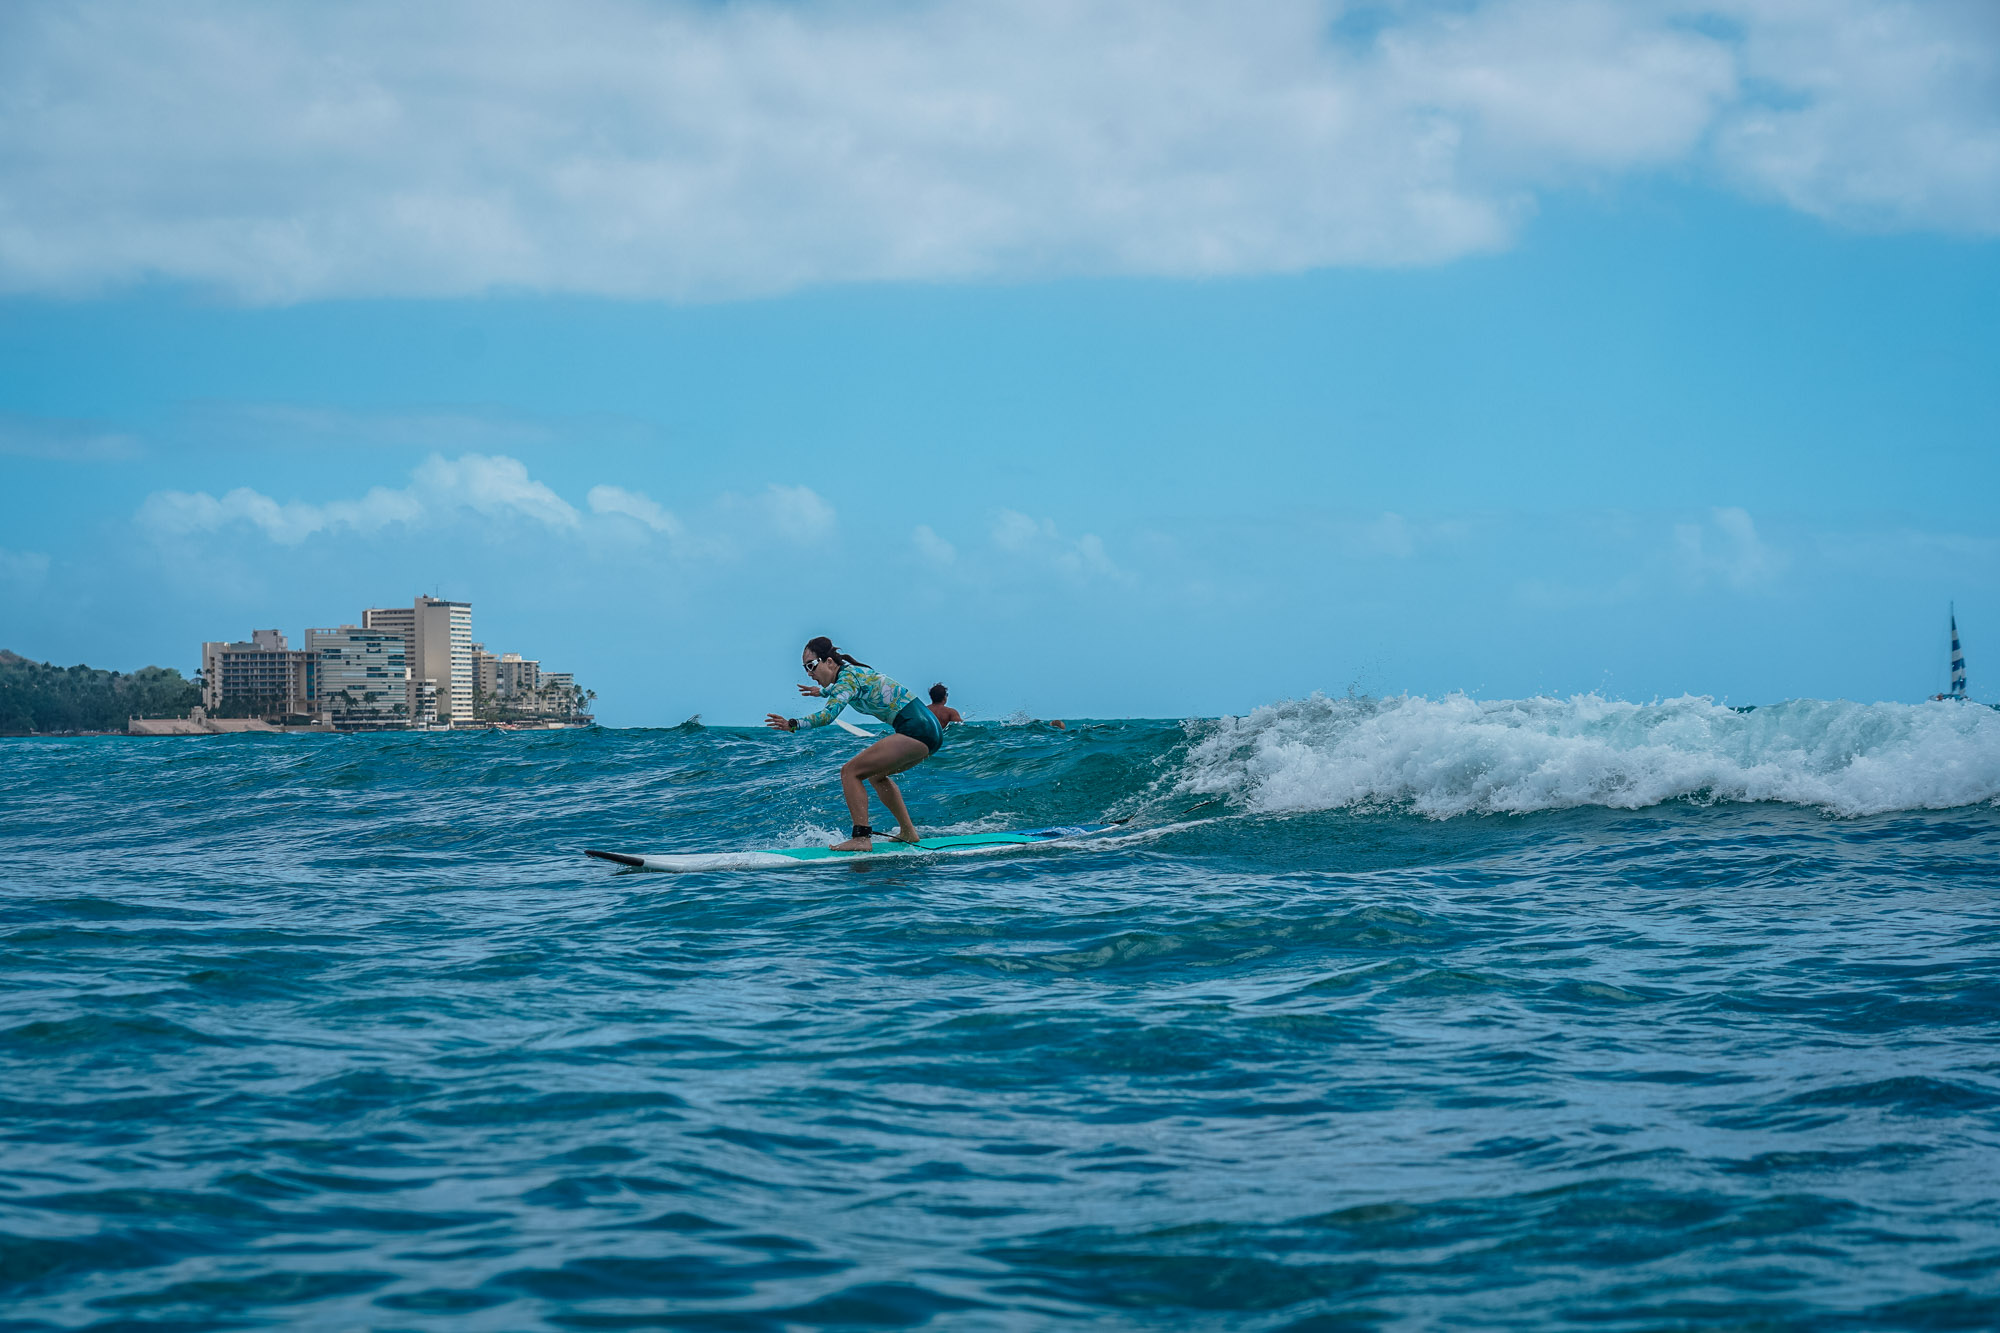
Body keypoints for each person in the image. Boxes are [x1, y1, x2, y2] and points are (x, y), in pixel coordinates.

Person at [765, 636, 944, 851]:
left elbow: (827, 716)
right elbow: (845, 689)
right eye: (805, 668)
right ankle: (908, 831)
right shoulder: (850, 675)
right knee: (877, 776)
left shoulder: (847, 680)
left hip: (916, 729)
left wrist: (793, 724)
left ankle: (861, 838)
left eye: (812, 666)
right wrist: (821, 691)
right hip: (929, 731)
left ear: (829, 662)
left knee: (850, 772)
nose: (810, 673)